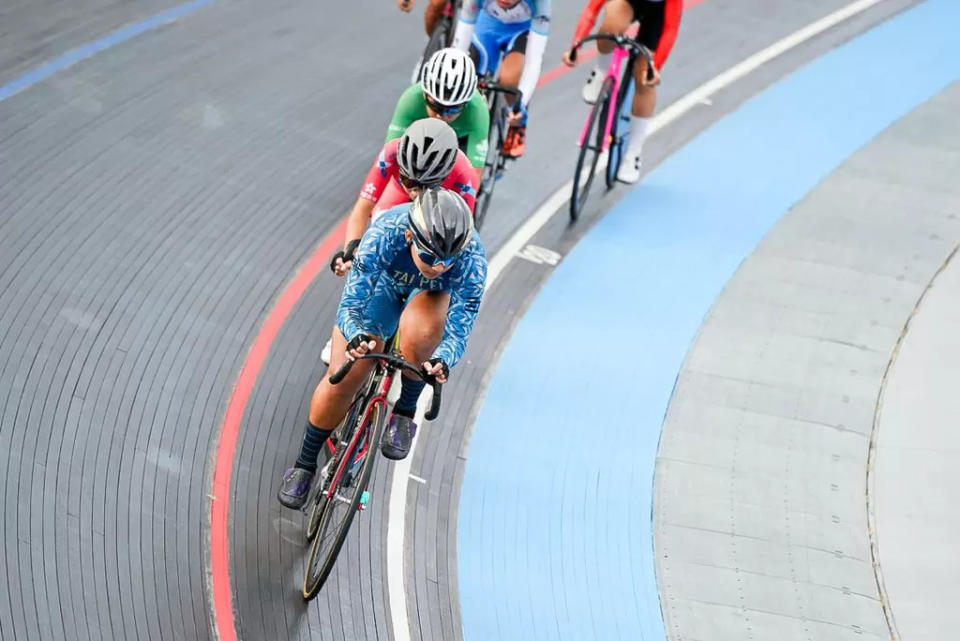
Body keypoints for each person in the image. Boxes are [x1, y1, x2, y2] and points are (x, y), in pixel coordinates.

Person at [277, 188, 487, 509]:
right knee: (343, 377)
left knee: (424, 334)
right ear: (408, 236)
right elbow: (351, 306)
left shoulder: (471, 259)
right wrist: (357, 335)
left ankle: (405, 410)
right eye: (430, 257)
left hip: (429, 298)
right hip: (384, 286)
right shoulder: (385, 233)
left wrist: (444, 360)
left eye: (449, 260)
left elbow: (459, 330)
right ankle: (304, 464)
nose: (440, 266)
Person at [320, 118, 477, 365]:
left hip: (436, 212)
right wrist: (351, 250)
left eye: (423, 185)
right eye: (410, 181)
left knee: (432, 255)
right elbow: (363, 209)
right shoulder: (392, 151)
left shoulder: (464, 176)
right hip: (394, 203)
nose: (415, 192)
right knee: (378, 235)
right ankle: (350, 324)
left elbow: (455, 240)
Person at [563, 0, 682, 183]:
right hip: (629, 3)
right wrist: (576, 44)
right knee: (610, 26)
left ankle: (633, 153)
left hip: (657, 17)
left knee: (644, 78)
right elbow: (592, 9)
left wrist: (654, 67)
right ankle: (602, 72)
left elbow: (670, 28)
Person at [451, 0, 552, 158]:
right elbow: (459, 45)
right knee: (466, 75)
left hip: (521, 31)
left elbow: (533, 62)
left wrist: (521, 105)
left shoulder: (541, 3)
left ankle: (516, 126)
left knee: (509, 80)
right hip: (486, 27)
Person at [386, 48, 489, 184]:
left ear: (465, 104)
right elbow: (389, 158)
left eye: (452, 110)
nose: (441, 117)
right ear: (425, 95)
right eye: (436, 107)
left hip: (460, 140)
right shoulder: (411, 99)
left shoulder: (478, 111)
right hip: (420, 138)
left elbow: (473, 177)